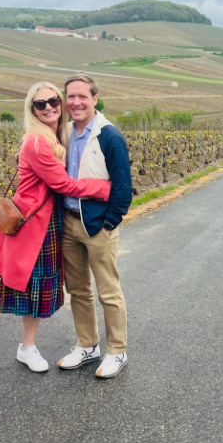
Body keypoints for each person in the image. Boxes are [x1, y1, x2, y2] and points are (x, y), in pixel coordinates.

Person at [0, 81, 111, 373]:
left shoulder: (57, 135)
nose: (48, 107)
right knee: (17, 286)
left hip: (50, 222)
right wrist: (104, 189)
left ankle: (27, 347)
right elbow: (64, 184)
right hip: (31, 225)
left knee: (40, 290)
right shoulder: (37, 142)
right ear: (32, 109)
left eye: (53, 101)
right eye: (40, 104)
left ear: (60, 103)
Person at [57, 74, 133, 379]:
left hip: (98, 226)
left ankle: (117, 351)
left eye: (82, 97)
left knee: (108, 292)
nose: (76, 102)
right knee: (77, 290)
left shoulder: (108, 135)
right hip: (68, 222)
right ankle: (87, 345)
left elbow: (123, 187)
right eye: (71, 97)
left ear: (95, 99)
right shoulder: (64, 133)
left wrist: (109, 224)